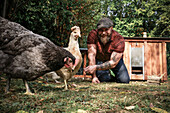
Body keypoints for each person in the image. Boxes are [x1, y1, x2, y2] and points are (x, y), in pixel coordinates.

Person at [84, 17, 130, 84]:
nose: (103, 33)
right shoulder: (93, 35)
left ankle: (114, 76)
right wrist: (94, 77)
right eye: (101, 30)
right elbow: (91, 55)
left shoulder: (119, 39)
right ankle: (108, 77)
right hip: (99, 59)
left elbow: (113, 63)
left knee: (124, 80)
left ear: (111, 28)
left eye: (106, 30)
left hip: (114, 61)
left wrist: (95, 67)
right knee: (104, 79)